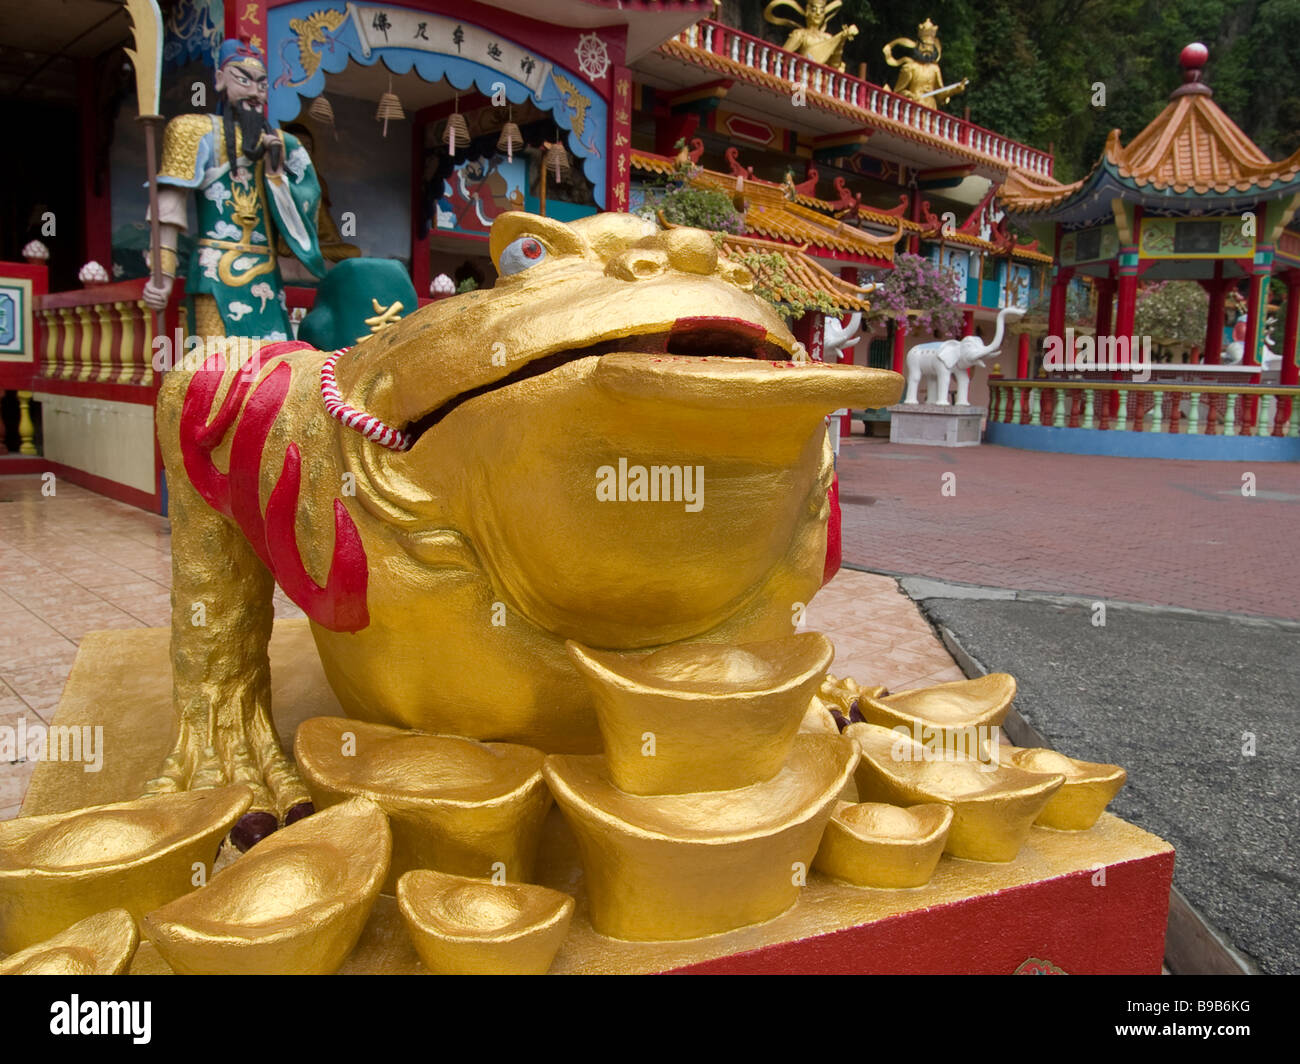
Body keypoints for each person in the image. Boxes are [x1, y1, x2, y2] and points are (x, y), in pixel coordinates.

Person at [142, 40, 325, 339]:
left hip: (266, 274)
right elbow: (169, 204)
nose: (254, 93)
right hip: (215, 276)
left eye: (262, 85)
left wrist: (275, 176)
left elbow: (307, 208)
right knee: (217, 367)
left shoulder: (285, 145)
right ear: (219, 79)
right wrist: (160, 276)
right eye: (244, 80)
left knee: (270, 367)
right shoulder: (192, 131)